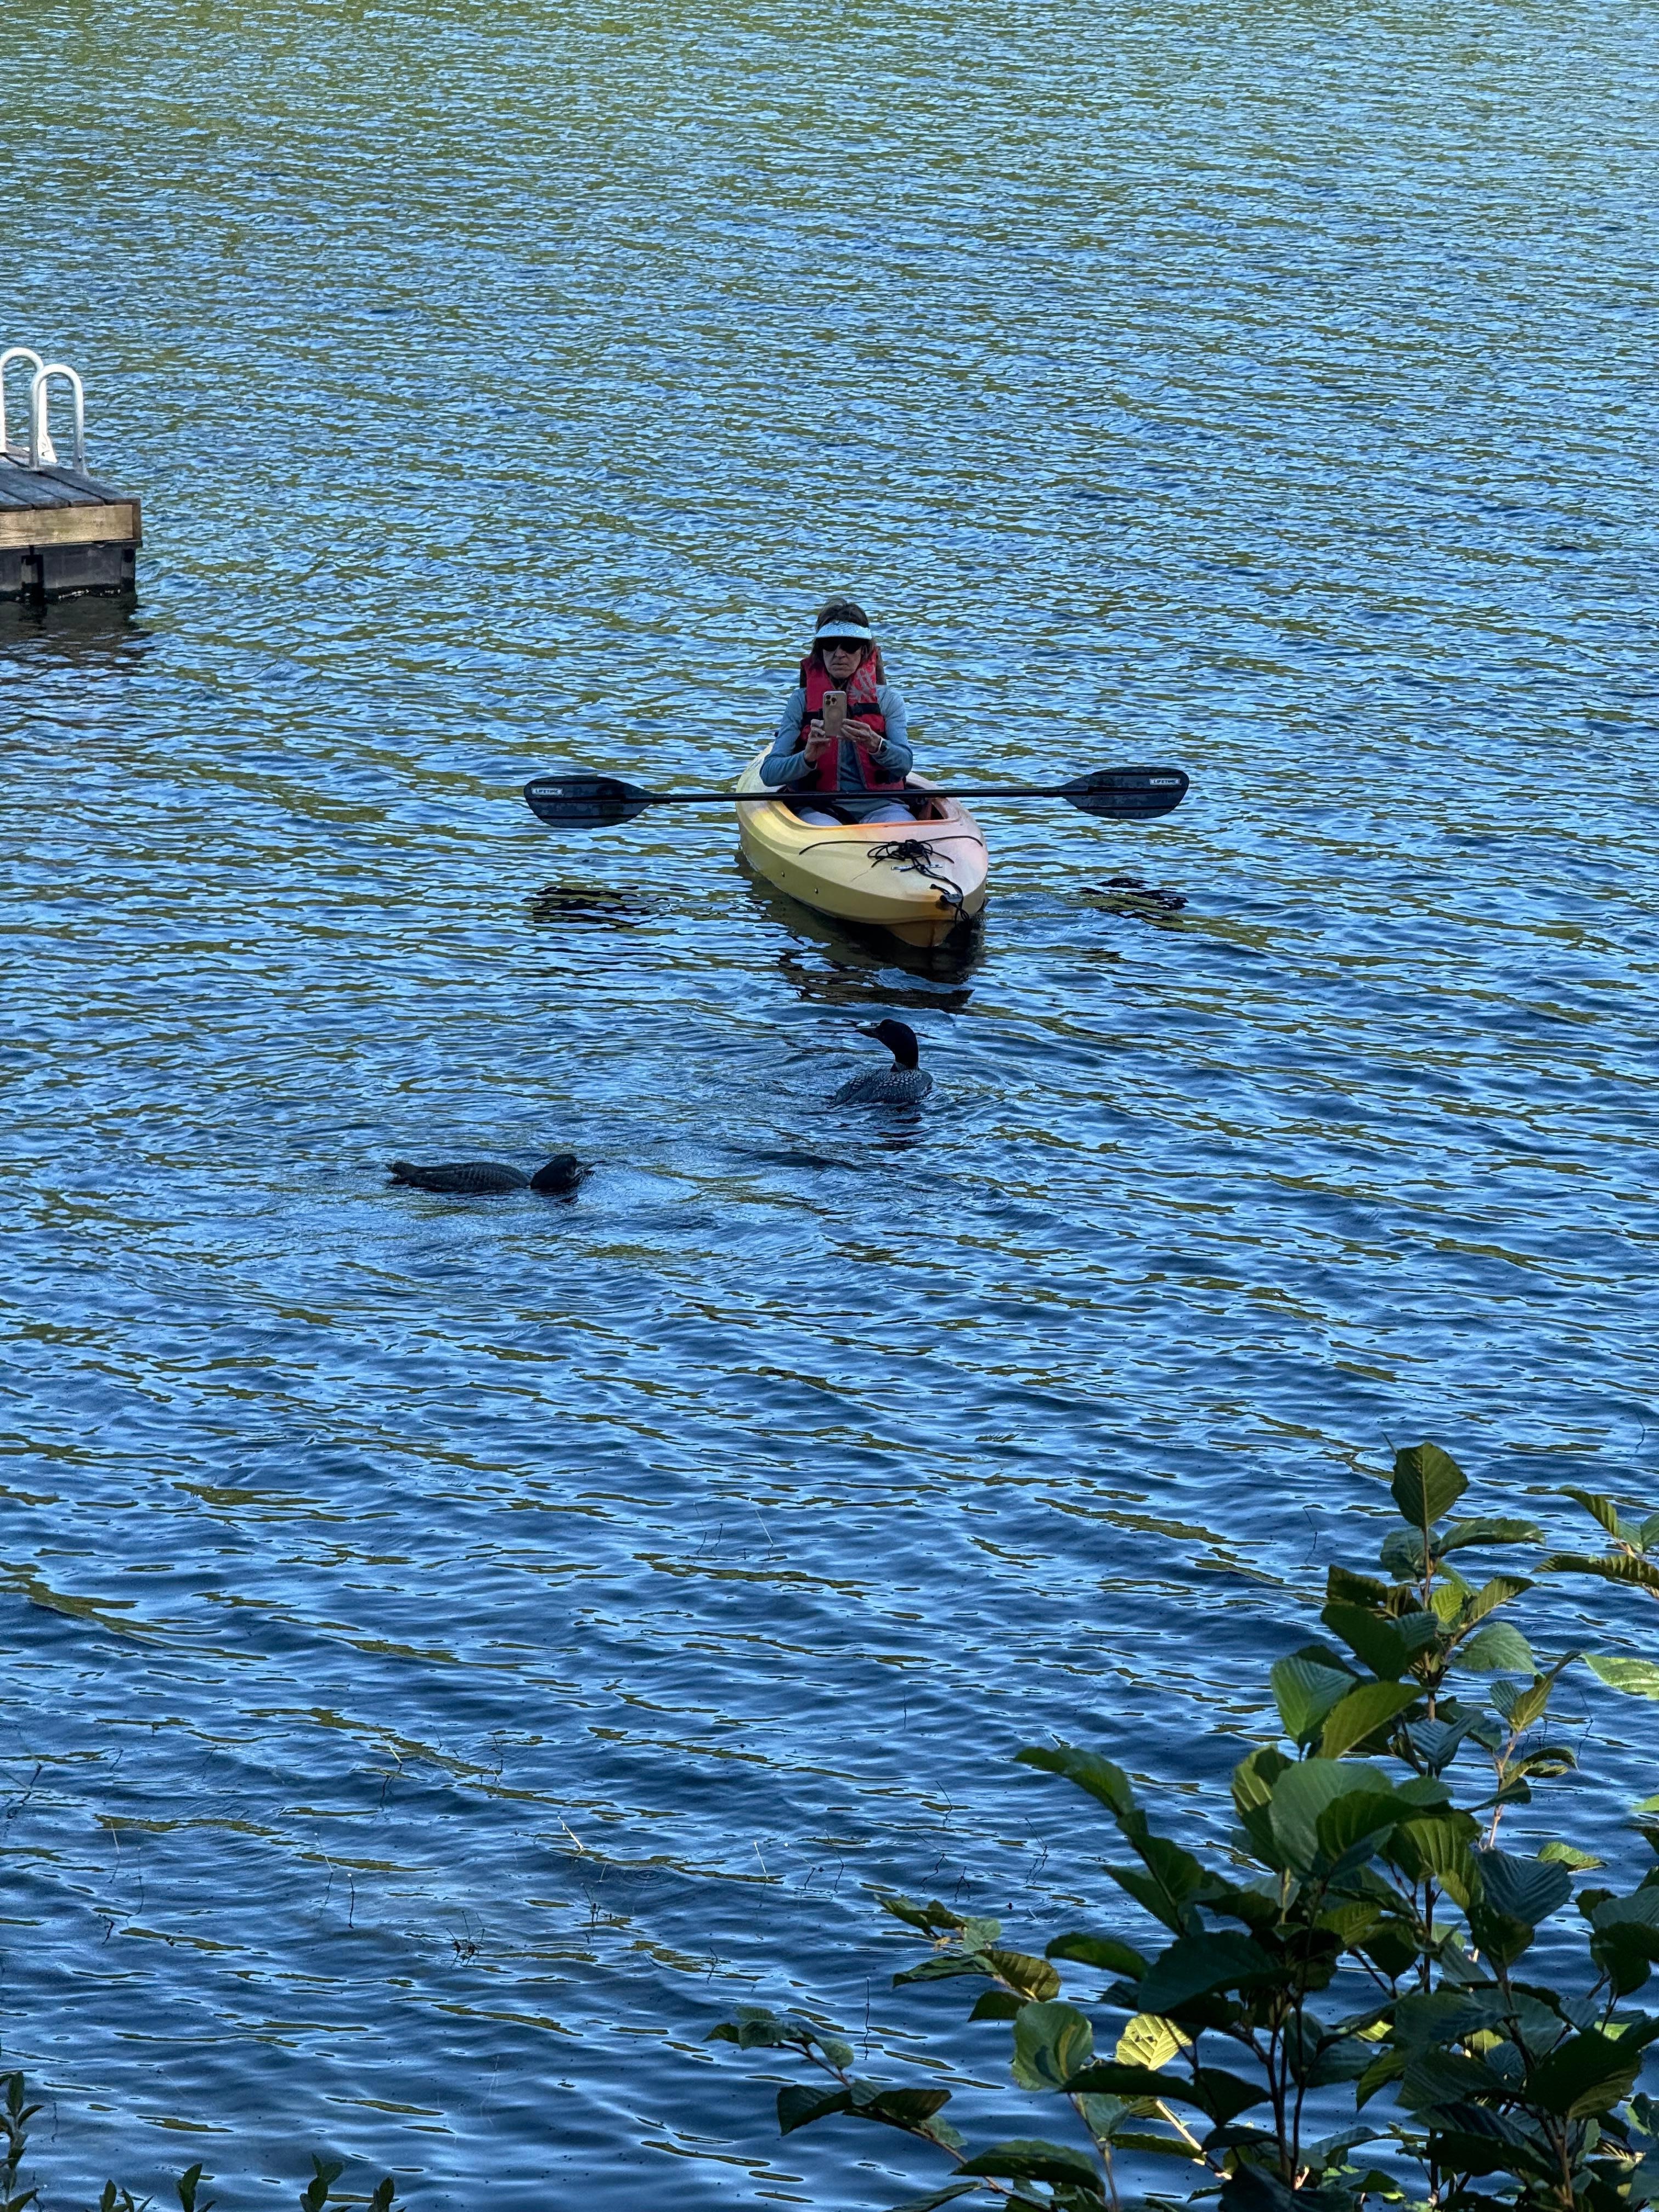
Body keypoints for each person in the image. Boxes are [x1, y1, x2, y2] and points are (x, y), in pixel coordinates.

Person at [759, 600, 916, 825]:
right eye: (830, 644)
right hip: (819, 809)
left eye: (850, 646)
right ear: (820, 650)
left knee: (900, 829)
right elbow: (770, 774)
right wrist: (808, 757)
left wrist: (876, 744)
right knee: (824, 829)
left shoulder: (889, 700)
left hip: (883, 807)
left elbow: (904, 764)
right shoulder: (800, 701)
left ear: (864, 651)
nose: (839, 654)